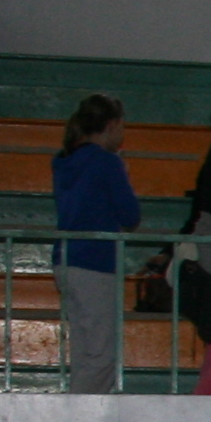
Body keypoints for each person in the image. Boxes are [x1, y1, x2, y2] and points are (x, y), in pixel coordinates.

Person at [51, 94, 139, 394]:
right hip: (95, 262)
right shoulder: (107, 162)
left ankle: (80, 408)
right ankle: (78, 410)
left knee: (85, 351)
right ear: (112, 125)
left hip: (66, 258)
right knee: (103, 355)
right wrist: (124, 176)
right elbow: (130, 215)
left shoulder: (63, 161)